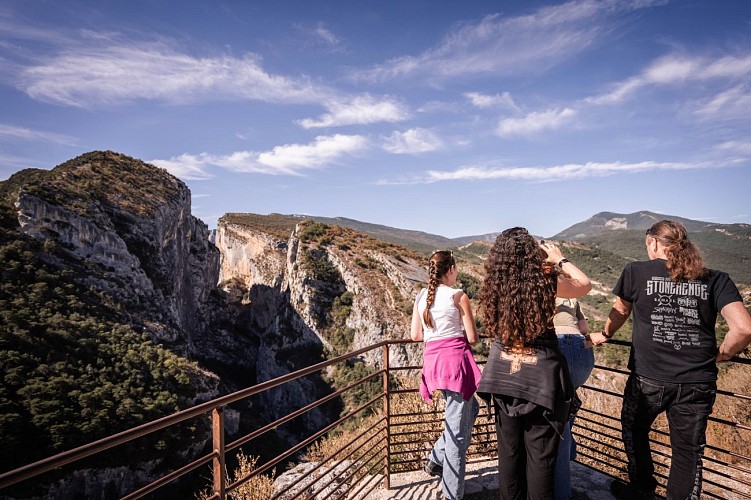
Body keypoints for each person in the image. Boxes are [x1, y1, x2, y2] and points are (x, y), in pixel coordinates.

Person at [588, 220, 751, 500]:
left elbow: (620, 311)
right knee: (688, 452)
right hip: (698, 381)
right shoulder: (716, 278)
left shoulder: (635, 271)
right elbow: (744, 328)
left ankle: (642, 488)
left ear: (653, 243)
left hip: (647, 378)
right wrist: (723, 353)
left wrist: (604, 333)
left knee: (634, 429)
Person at [476, 228, 592, 499]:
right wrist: (559, 260)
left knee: (509, 453)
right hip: (539, 378)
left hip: (503, 374)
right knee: (540, 458)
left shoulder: (496, 282)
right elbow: (584, 284)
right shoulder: (546, 279)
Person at [410, 250, 481, 500]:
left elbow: (416, 336)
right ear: (451, 269)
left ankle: (435, 458)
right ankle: (453, 495)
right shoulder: (458, 296)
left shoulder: (421, 297)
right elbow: (472, 338)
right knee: (458, 434)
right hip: (456, 366)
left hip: (433, 364)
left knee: (471, 411)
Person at [553, 298, 594, 500]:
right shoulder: (574, 297)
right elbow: (584, 327)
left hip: (557, 347)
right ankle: (570, 454)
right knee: (566, 409)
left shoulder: (539, 289)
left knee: (558, 418)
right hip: (582, 352)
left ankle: (560, 491)